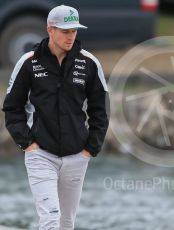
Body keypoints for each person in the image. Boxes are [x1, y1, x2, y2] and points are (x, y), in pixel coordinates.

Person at [2, 5, 109, 229]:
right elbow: (12, 108)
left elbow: (101, 110)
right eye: (65, 31)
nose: (71, 36)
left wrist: (91, 148)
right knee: (50, 218)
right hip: (40, 154)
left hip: (77, 156)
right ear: (50, 30)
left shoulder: (89, 63)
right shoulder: (29, 62)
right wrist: (27, 144)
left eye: (74, 31)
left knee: (66, 222)